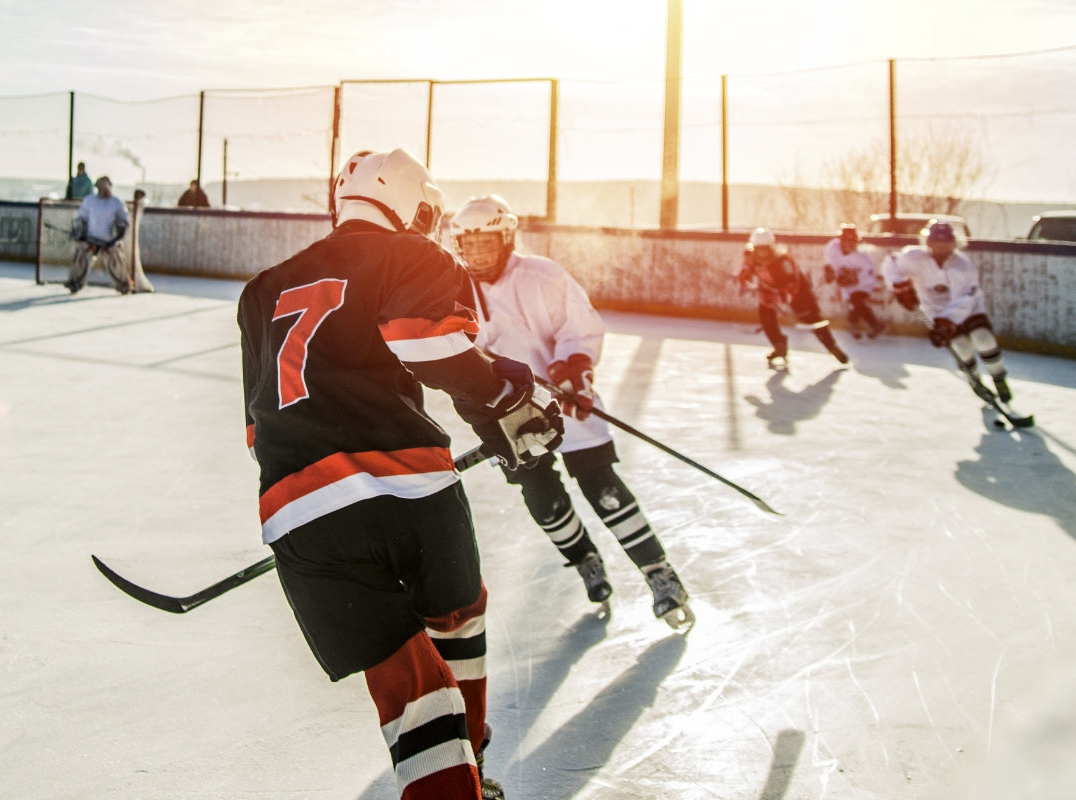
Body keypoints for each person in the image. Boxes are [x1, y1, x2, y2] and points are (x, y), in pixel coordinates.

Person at [239, 148, 562, 800]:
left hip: (297, 512)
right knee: (460, 613)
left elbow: (255, 429)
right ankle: (471, 755)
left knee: (411, 692)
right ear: (413, 204)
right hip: (410, 491)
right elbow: (428, 343)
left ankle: (454, 767)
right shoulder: (411, 254)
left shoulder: (261, 290)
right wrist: (510, 396)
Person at [450, 194, 693, 630]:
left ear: (507, 238)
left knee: (604, 489)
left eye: (485, 244)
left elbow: (578, 326)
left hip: (566, 399)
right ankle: (585, 561)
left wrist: (573, 372)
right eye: (468, 246)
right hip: (513, 416)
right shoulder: (456, 290)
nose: (476, 255)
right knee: (542, 499)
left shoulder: (543, 275)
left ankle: (660, 573)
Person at [885, 220, 1014, 402]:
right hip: (936, 313)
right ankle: (974, 381)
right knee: (961, 347)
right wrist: (898, 285)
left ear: (954, 242)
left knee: (983, 338)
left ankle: (999, 377)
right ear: (928, 242)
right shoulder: (914, 257)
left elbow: (964, 298)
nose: (940, 245)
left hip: (969, 310)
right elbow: (891, 263)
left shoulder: (963, 266)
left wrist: (947, 321)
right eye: (935, 241)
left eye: (945, 241)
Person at [736, 227, 849, 370]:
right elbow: (745, 271)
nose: (762, 253)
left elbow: (793, 284)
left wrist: (780, 296)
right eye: (758, 249)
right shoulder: (750, 256)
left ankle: (832, 347)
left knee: (813, 319)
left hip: (798, 292)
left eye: (765, 249)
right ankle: (779, 345)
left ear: (771, 247)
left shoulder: (783, 260)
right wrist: (745, 278)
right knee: (765, 315)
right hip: (771, 290)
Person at [66, 176, 132, 294]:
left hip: (109, 241)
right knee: (80, 258)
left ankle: (123, 285)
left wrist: (116, 239)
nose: (103, 189)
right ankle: (75, 282)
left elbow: (124, 222)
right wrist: (80, 233)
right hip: (90, 239)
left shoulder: (116, 202)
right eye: (100, 186)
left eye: (105, 186)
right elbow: (81, 218)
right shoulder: (90, 200)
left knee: (116, 263)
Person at [822, 224, 886, 340]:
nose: (851, 244)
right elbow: (831, 265)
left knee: (856, 303)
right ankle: (876, 325)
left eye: (853, 242)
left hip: (863, 284)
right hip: (848, 286)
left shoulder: (862, 258)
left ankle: (853, 326)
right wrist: (831, 273)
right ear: (841, 241)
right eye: (847, 241)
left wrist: (853, 279)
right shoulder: (833, 248)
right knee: (860, 306)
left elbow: (869, 277)